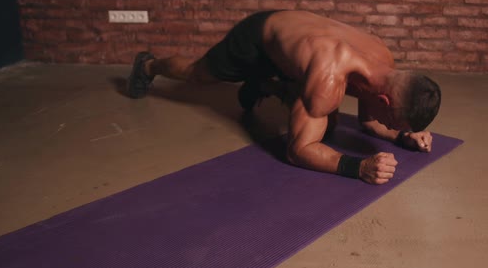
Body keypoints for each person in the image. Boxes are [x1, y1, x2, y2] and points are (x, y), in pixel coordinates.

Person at [126, 10, 441, 185]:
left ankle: (263, 86)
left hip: (295, 51)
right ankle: (149, 64)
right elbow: (298, 150)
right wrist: (358, 168)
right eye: (391, 119)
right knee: (198, 74)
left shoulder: (383, 62)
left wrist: (403, 135)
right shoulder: (329, 78)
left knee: (323, 116)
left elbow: (369, 121)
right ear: (385, 102)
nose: (386, 122)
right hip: (256, 39)